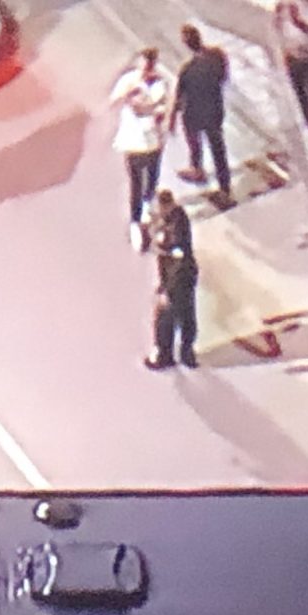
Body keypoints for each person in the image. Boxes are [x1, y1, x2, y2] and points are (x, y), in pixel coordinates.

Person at [110, 49, 174, 250]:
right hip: (134, 141)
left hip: (153, 140)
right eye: (143, 65)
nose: (145, 69)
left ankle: (148, 205)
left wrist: (158, 111)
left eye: (149, 65)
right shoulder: (128, 81)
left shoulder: (160, 84)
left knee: (152, 177)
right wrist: (128, 94)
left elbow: (162, 106)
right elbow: (113, 102)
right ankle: (135, 221)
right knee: (135, 182)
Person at [173, 26, 232, 204]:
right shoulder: (217, 55)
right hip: (215, 108)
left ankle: (197, 169)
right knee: (218, 148)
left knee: (194, 139)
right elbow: (223, 77)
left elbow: (179, 96)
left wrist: (171, 116)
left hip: (195, 112)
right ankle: (224, 185)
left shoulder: (188, 69)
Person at [146, 189, 200, 369]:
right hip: (179, 275)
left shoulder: (176, 226)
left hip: (180, 276)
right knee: (186, 314)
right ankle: (186, 352)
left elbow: (176, 257)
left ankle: (166, 355)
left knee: (167, 317)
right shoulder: (169, 221)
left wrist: (168, 287)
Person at [273, 0, 308, 148]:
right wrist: (284, 49)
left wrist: (298, 22)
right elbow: (278, 26)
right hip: (292, 54)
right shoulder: (284, 4)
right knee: (301, 95)